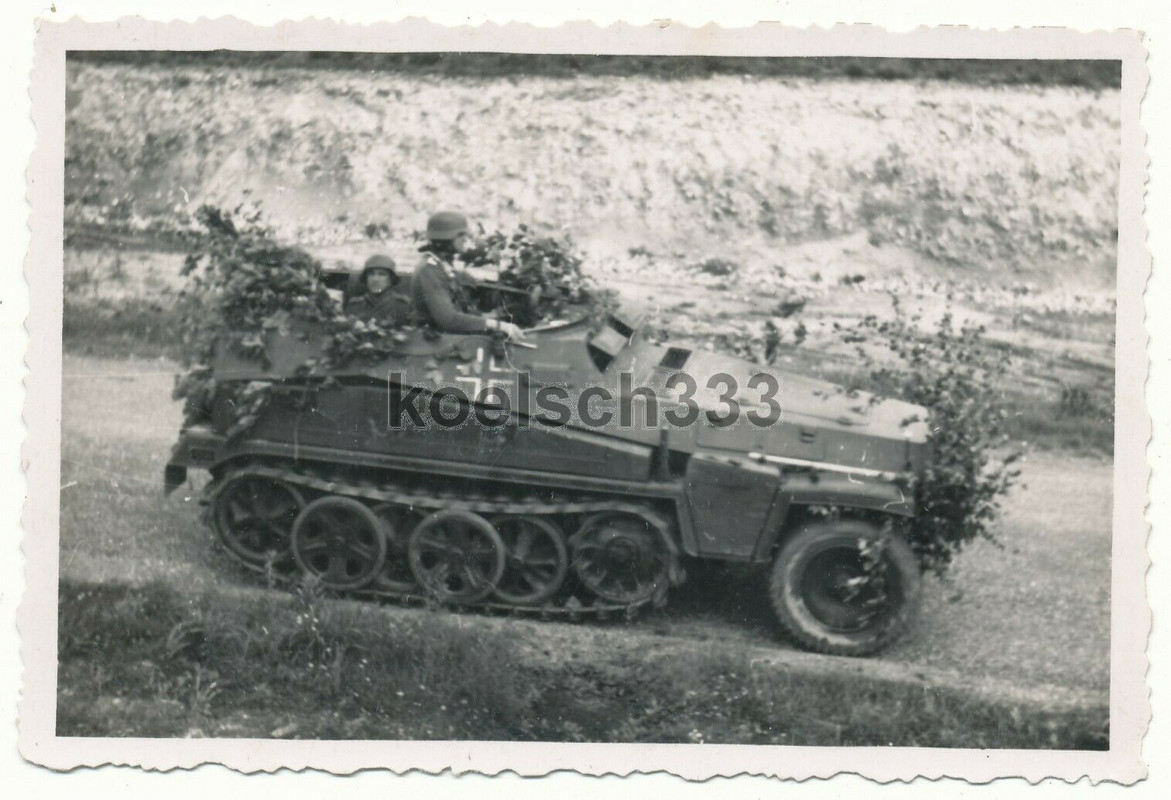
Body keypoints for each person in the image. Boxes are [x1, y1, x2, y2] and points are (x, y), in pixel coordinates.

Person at [410, 211, 526, 341]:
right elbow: (449, 320)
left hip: (447, 338)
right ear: (444, 240)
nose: (465, 239)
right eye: (460, 235)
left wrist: (488, 318)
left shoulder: (442, 264)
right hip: (434, 342)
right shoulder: (429, 269)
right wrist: (496, 325)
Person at [344, 254, 409, 325]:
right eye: (371, 274)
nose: (375, 279)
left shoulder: (402, 306)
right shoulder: (355, 306)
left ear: (391, 279)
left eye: (382, 274)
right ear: (366, 278)